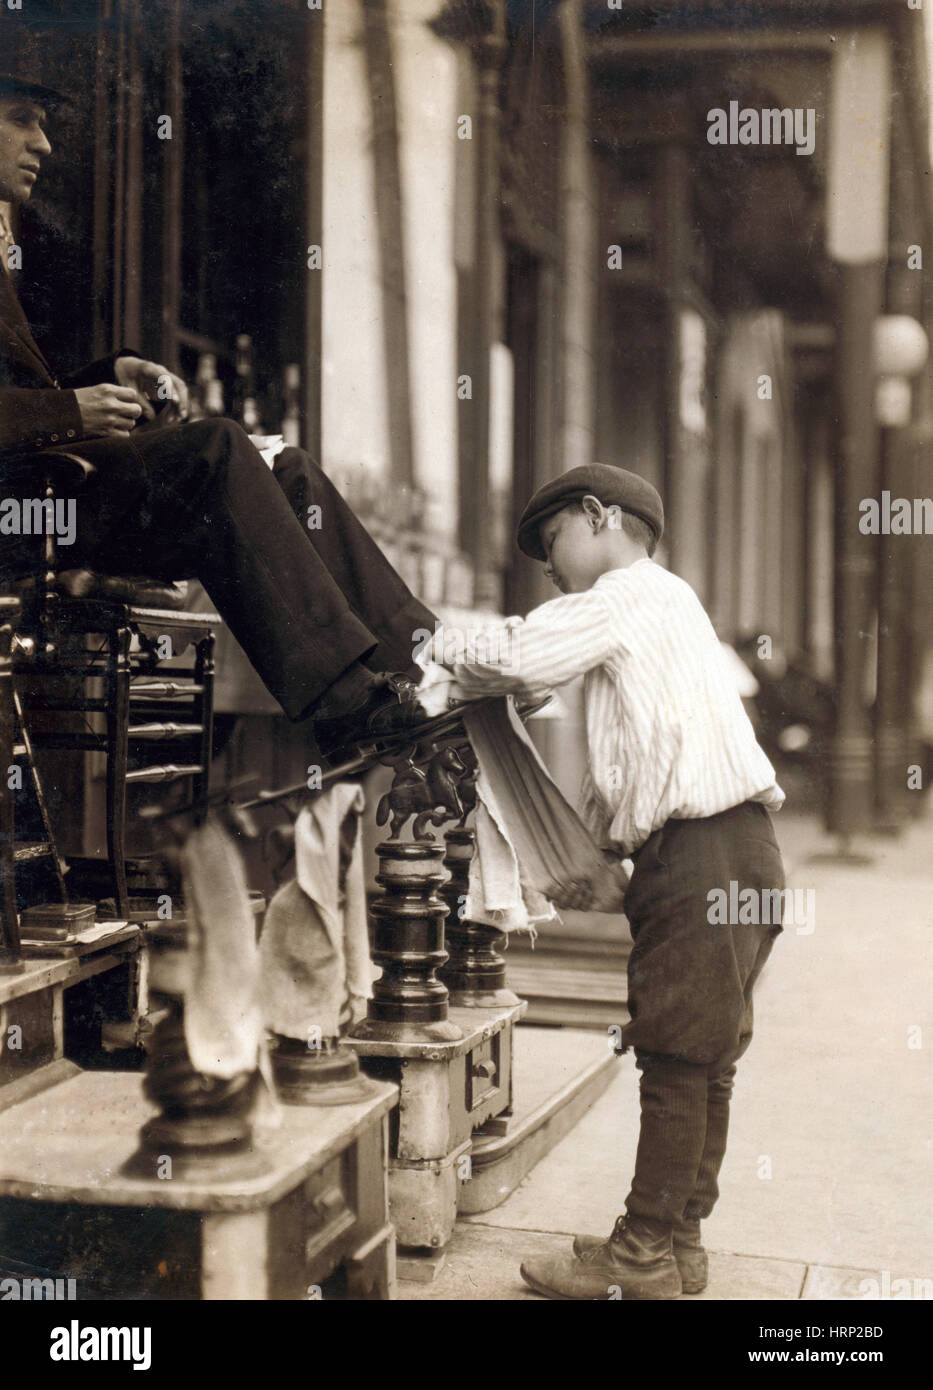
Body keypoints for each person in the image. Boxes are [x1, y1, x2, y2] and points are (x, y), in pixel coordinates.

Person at [0, 38, 434, 757]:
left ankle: (418, 664)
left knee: (284, 469)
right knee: (218, 446)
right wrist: (71, 412)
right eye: (22, 119)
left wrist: (112, 372)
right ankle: (345, 703)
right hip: (22, 515)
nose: (43, 143)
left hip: (48, 501)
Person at [429, 462, 786, 1300]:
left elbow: (520, 654)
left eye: (551, 543)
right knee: (705, 1057)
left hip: (703, 852)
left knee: (671, 1056)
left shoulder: (630, 594)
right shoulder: (662, 612)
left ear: (598, 516)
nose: (547, 567)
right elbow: (605, 744)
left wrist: (429, 640)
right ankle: (674, 1244)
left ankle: (638, 1258)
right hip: (737, 852)